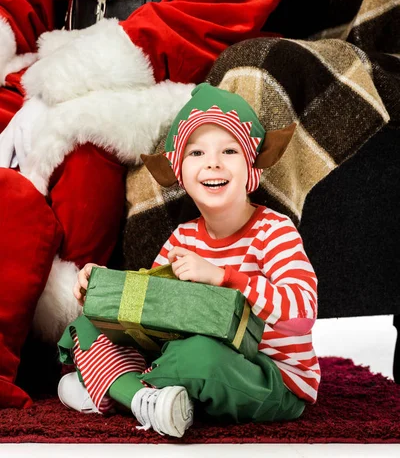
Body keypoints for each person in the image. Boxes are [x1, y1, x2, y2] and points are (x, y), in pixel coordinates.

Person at [0, 0, 284, 408]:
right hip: (51, 67)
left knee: (82, 160)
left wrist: (64, 88)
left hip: (148, 76)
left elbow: (208, 16)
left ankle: (73, 341)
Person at [57, 83, 320, 438]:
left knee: (199, 355)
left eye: (229, 150)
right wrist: (106, 288)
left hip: (268, 375)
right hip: (186, 358)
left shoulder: (275, 231)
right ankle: (147, 400)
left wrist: (224, 276)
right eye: (196, 154)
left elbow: (302, 314)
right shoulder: (183, 237)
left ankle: (118, 391)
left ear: (251, 169)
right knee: (89, 324)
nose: (212, 162)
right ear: (179, 172)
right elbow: (148, 306)